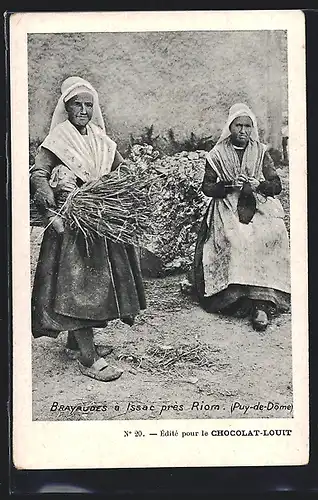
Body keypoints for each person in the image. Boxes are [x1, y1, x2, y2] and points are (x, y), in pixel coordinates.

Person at [31, 76, 146, 381]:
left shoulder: (99, 137)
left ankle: (74, 343)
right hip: (73, 224)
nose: (83, 110)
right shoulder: (58, 140)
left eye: (88, 105)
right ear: (66, 108)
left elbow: (120, 166)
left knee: (100, 283)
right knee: (80, 287)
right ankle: (87, 357)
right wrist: (49, 207)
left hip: (101, 221)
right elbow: (39, 173)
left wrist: (128, 181)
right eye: (76, 105)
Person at [193, 103, 290, 331]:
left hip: (258, 204)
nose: (243, 131)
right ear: (230, 127)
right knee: (236, 238)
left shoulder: (260, 152)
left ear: (252, 128)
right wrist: (226, 186)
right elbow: (207, 188)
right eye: (239, 125)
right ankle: (237, 298)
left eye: (247, 126)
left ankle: (262, 303)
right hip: (227, 205)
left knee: (271, 233)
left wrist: (261, 185)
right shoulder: (217, 154)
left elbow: (277, 186)